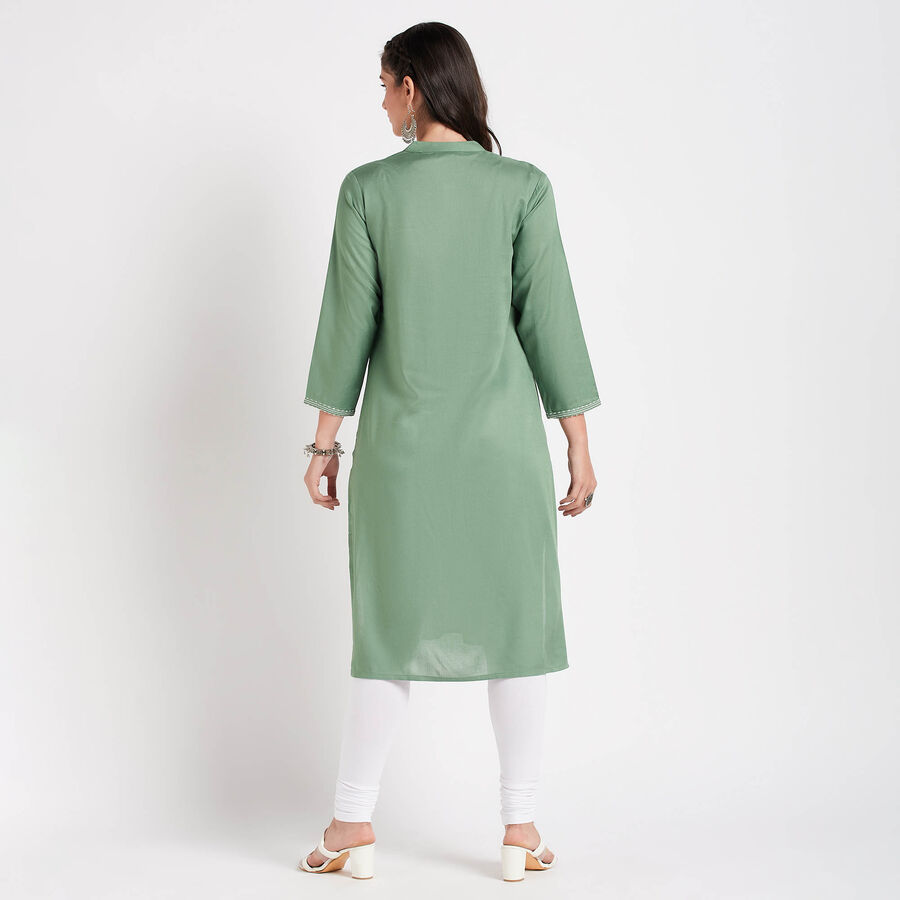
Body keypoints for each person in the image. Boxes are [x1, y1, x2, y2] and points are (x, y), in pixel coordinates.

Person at [298, 22, 600, 882]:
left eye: (384, 85)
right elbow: (551, 322)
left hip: (403, 456)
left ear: (412, 87)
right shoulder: (522, 188)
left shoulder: (367, 191)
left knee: (386, 631)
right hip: (504, 453)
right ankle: (519, 830)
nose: (382, 103)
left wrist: (324, 444)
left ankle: (352, 825)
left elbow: (346, 327)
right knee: (517, 630)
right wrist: (579, 446)